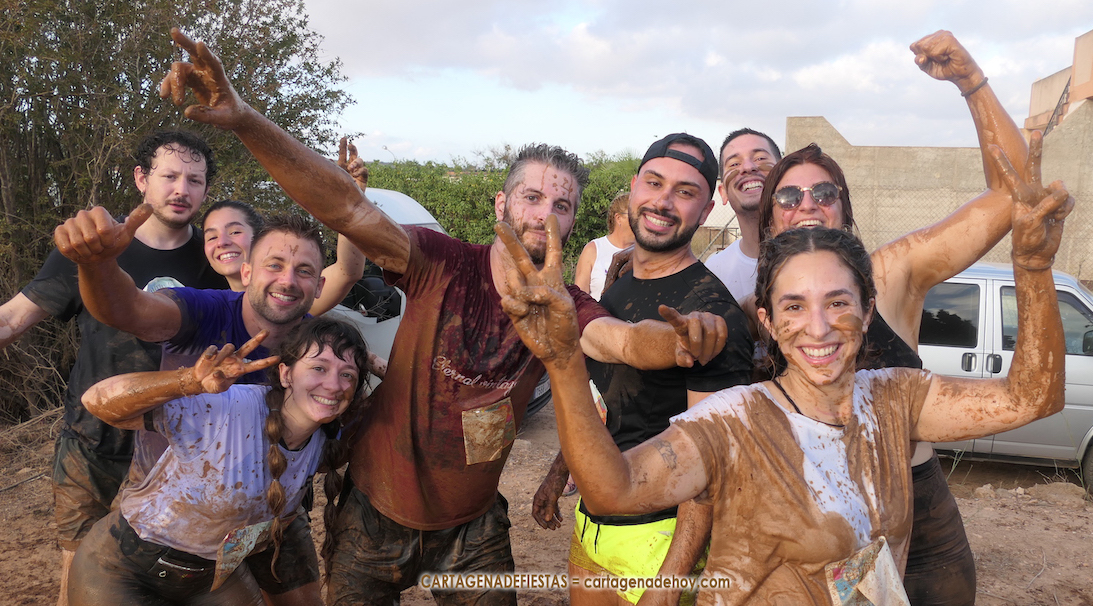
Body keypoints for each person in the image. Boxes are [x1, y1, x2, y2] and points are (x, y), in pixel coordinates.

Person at [157, 28, 729, 605]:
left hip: (471, 529)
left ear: (574, 221)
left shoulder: (566, 307)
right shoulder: (440, 261)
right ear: (501, 203)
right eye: (531, 198)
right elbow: (346, 207)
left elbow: (624, 341)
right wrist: (245, 120)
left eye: (562, 205)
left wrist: (681, 340)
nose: (544, 216)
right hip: (374, 512)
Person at [494, 136, 1071, 601]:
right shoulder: (734, 421)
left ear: (869, 310)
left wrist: (1032, 267)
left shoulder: (897, 399)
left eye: (838, 302)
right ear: (767, 320)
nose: (818, 328)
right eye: (794, 306)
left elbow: (1032, 397)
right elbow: (613, 489)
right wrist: (564, 363)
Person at [705, 31, 1031, 605]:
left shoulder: (892, 272)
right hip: (813, 523)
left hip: (919, 520)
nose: (807, 204)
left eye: (824, 192)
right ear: (771, 218)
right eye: (789, 197)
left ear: (844, 207)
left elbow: (1013, 195)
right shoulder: (756, 308)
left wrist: (971, 82)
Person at [55, 211, 339, 605]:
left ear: (319, 285)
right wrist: (97, 264)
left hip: (268, 513)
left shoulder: (321, 350)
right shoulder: (203, 310)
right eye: (274, 265)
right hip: (171, 512)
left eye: (303, 271)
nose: (288, 280)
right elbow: (127, 309)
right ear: (247, 271)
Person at [0, 130, 228, 605]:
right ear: (141, 178)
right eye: (169, 176)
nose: (181, 189)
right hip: (92, 442)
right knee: (80, 573)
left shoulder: (216, 258)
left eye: (195, 180)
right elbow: (13, 318)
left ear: (207, 189)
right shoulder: (94, 247)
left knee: (171, 575)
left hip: (177, 450)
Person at [533, 134, 754, 606]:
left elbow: (710, 464)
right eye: (654, 183)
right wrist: (559, 472)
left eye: (685, 192)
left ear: (707, 209)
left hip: (660, 540)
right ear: (634, 187)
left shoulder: (712, 318)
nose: (663, 201)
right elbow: (604, 399)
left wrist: (671, 580)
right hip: (592, 525)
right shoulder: (619, 284)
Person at [68, 317, 371, 605]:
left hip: (212, 577)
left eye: (347, 374)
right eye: (319, 368)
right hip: (123, 569)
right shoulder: (228, 408)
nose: (334, 385)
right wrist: (187, 381)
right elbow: (95, 400)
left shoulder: (323, 442)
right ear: (285, 374)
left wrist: (385, 369)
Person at [201, 138, 369, 316]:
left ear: (259, 238)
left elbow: (347, 271)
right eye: (212, 237)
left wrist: (350, 204)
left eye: (235, 232)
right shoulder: (204, 309)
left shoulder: (288, 296)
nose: (222, 242)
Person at [704, 128, 781, 303]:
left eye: (760, 158)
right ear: (723, 192)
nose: (748, 167)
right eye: (734, 164)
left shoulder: (819, 256)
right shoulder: (714, 273)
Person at [574, 191, 635, 301]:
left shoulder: (644, 253)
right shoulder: (594, 249)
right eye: (635, 215)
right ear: (618, 218)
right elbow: (579, 297)